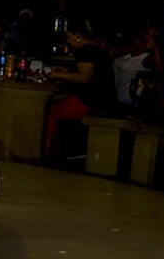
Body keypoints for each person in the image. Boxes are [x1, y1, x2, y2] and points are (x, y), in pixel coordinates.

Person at [44, 22, 116, 159]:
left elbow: (84, 77)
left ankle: (45, 151)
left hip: (92, 100)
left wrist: (58, 75)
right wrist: (66, 72)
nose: (67, 41)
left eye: (68, 37)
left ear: (78, 36)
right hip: (100, 97)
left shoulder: (86, 51)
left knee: (51, 110)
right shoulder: (95, 50)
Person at [112, 28, 163, 107]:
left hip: (125, 100)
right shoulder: (134, 49)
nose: (145, 36)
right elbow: (115, 53)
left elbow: (160, 70)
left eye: (150, 36)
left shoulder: (148, 58)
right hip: (113, 95)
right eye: (146, 33)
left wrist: (155, 49)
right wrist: (134, 47)